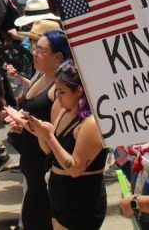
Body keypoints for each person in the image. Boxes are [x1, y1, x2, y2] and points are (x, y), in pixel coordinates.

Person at [25, 60, 108, 230]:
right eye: (56, 91)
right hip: (60, 197)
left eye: (62, 92)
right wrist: (37, 130)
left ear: (79, 91)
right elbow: (49, 150)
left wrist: (49, 136)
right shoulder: (65, 111)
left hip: (81, 200)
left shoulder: (91, 123)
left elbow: (75, 168)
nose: (57, 97)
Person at [5, 29, 72, 230]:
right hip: (32, 170)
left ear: (58, 57)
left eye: (40, 50)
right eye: (34, 47)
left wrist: (21, 120)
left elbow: (54, 134)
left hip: (45, 172)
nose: (34, 52)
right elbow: (34, 114)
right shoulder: (41, 74)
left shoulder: (60, 89)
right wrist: (21, 124)